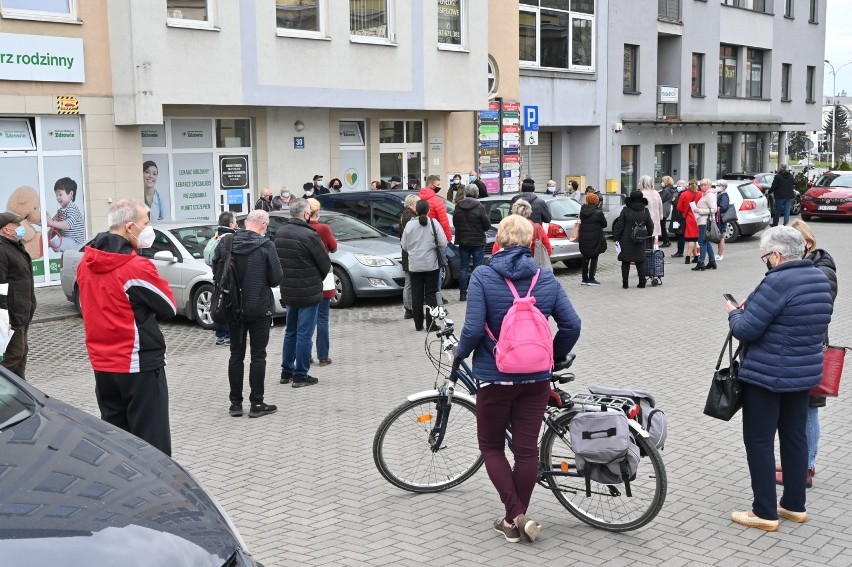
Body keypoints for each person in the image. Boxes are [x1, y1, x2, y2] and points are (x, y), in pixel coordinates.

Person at [454, 214, 581, 544]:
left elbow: (471, 328)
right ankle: (516, 518)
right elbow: (572, 325)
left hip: (495, 379)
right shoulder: (547, 279)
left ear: (498, 242)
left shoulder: (483, 275)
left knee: (491, 446)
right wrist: (551, 356)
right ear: (530, 243)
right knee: (526, 452)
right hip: (536, 379)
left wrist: (459, 353)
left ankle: (513, 517)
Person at [726, 226, 833, 531]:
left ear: (776, 255)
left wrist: (733, 313)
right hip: (803, 373)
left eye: (765, 256)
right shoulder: (818, 278)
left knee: (759, 440)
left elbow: (745, 330)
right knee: (794, 436)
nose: (766, 262)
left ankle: (764, 511)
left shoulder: (776, 281)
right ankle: (794, 506)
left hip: (767, 375)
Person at [77, 199, 176, 455]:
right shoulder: (136, 267)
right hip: (138, 364)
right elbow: (169, 306)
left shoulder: (85, 263)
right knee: (153, 447)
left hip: (103, 365)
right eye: (146, 222)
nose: (149, 228)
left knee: (117, 443)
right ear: (130, 227)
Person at [778, 220, 838, 489]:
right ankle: (797, 462)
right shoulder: (802, 267)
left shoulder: (822, 271)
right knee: (798, 409)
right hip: (797, 348)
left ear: (808, 245)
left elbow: (809, 308)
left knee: (810, 409)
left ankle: (806, 467)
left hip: (811, 349)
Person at [215, 209, 282, 418]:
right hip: (259, 308)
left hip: (232, 307)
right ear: (262, 224)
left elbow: (216, 272)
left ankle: (235, 404)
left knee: (236, 354)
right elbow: (276, 278)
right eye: (267, 224)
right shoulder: (266, 246)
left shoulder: (226, 243)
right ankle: (257, 403)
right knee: (258, 355)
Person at [275, 198, 331, 388]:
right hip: (308, 290)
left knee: (290, 331)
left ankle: (286, 371)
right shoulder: (309, 235)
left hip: (289, 289)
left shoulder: (280, 232)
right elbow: (325, 264)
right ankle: (300, 374)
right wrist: (317, 278)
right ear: (306, 214)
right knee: (304, 333)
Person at [400, 200, 446, 331]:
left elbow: (404, 245)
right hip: (431, 264)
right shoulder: (433, 223)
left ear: (416, 211)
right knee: (431, 295)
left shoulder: (409, 225)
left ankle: (418, 324)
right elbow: (443, 242)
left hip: (414, 265)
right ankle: (431, 324)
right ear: (428, 210)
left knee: (416, 294)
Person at [0, 211, 35, 379]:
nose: (21, 228)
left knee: (20, 356)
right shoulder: (2, 250)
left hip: (23, 313)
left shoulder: (15, 247)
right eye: (17, 225)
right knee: (13, 357)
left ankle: (21, 395)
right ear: (6, 230)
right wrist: (4, 318)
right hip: (12, 316)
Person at [306, 198, 338, 367]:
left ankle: (306, 354)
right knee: (323, 318)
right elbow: (333, 247)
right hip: (324, 275)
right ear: (317, 212)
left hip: (306, 277)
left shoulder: (301, 228)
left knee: (307, 319)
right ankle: (323, 356)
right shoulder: (323, 228)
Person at [452, 185, 491, 302]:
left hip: (463, 241)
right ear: (477, 194)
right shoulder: (479, 207)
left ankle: (463, 294)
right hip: (478, 241)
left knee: (463, 268)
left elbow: (455, 222)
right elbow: (487, 225)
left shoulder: (458, 206)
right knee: (477, 267)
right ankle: (476, 293)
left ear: (465, 193)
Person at [205, 211, 238, 346]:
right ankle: (226, 336)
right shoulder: (230, 238)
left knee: (218, 304)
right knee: (227, 306)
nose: (237, 223)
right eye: (235, 221)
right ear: (231, 224)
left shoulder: (217, 236)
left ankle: (220, 335)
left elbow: (214, 259)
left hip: (218, 277)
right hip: (227, 278)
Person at [419, 175, 452, 300]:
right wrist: (448, 239)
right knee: (439, 269)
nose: (439, 188)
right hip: (436, 240)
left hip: (421, 240)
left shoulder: (418, 199)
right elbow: (444, 223)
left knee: (423, 270)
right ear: (431, 185)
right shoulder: (437, 201)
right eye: (437, 185)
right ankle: (436, 295)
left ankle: (424, 295)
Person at [613, 190, 654, 289]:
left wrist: (616, 237)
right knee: (640, 260)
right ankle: (642, 282)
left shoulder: (625, 210)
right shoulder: (645, 210)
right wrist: (647, 235)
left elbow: (619, 225)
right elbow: (651, 225)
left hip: (626, 239)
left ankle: (625, 283)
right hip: (640, 239)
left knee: (625, 261)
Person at [45, 177, 86, 252]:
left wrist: (51, 222)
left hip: (76, 242)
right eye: (56, 195)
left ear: (70, 194)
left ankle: (46, 242)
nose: (58, 198)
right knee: (54, 227)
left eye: (60, 194)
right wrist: (36, 220)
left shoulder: (72, 208)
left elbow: (67, 225)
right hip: (67, 240)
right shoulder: (61, 211)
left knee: (55, 242)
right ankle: (44, 240)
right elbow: (51, 222)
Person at [578, 192, 607, 285]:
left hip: (584, 237)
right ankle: (591, 278)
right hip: (595, 238)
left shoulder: (582, 210)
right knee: (594, 257)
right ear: (596, 201)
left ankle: (584, 278)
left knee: (585, 258)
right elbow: (604, 224)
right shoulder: (598, 212)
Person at [399, 194, 419, 319]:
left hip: (406, 252)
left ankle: (408, 308)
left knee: (408, 282)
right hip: (412, 252)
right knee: (411, 283)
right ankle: (410, 308)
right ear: (412, 204)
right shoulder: (411, 217)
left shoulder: (402, 216)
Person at [692, 178, 718, 272]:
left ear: (709, 186)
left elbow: (714, 209)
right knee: (706, 241)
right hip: (703, 220)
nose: (703, 186)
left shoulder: (710, 195)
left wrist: (699, 211)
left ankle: (701, 262)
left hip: (705, 221)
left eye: (705, 185)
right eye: (702, 185)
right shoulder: (706, 194)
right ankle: (712, 261)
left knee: (702, 242)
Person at [676, 179, 702, 264]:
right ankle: (696, 257)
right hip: (698, 218)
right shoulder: (700, 194)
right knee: (694, 238)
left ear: (688, 185)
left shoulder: (684, 194)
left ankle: (687, 257)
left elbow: (679, 207)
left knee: (692, 239)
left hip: (688, 218)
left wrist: (684, 211)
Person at [639, 175, 663, 250]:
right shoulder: (656, 193)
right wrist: (660, 216)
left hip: (645, 221)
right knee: (654, 242)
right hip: (655, 220)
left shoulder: (642, 194)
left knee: (645, 242)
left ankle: (646, 258)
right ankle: (653, 258)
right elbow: (660, 206)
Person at [670, 180, 688, 258]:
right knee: (677, 234)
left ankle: (680, 252)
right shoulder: (677, 194)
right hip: (676, 217)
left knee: (680, 234)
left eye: (680, 185)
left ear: (684, 186)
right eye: (677, 185)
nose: (678, 187)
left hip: (680, 217)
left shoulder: (684, 194)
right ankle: (679, 251)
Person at [715, 180, 730, 261]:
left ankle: (720, 255)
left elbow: (723, 207)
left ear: (723, 187)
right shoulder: (719, 194)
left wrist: (715, 208)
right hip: (718, 218)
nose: (716, 186)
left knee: (721, 236)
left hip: (720, 219)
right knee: (720, 236)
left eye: (718, 185)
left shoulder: (724, 196)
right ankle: (718, 254)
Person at [658, 176, 675, 247]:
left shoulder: (665, 190)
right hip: (667, 209)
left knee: (662, 226)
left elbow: (660, 199)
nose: (662, 182)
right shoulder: (671, 189)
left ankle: (666, 241)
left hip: (663, 209)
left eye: (663, 181)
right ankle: (667, 240)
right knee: (663, 226)